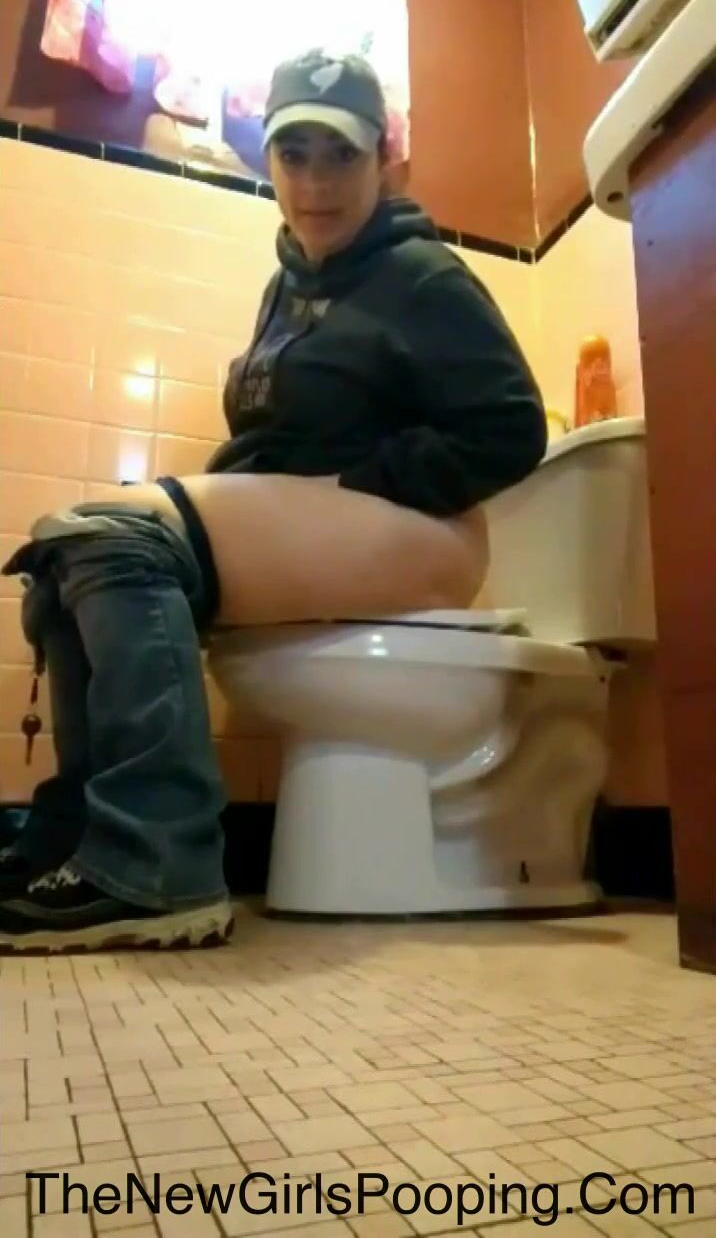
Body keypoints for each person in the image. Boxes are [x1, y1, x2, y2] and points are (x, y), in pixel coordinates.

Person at [0, 51, 547, 953]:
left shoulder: (421, 275)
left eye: (341, 156)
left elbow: (512, 428)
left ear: (384, 161)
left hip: (419, 532)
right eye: (295, 154)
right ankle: (78, 838)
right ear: (270, 159)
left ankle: (158, 865)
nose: (316, 182)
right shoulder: (288, 284)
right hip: (327, 521)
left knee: (118, 541)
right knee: (70, 551)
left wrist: (363, 477)